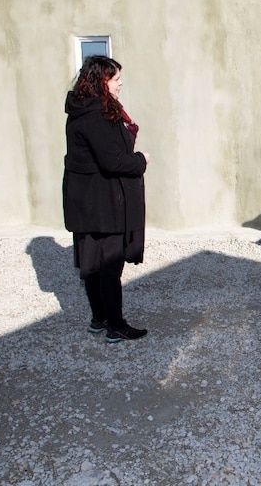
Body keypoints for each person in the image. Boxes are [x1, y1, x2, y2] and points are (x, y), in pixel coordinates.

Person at [63, 55, 151, 342]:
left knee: (91, 265)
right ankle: (115, 325)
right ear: (101, 81)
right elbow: (113, 161)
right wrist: (140, 160)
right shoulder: (96, 115)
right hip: (103, 202)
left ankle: (99, 318)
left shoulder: (81, 110)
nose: (120, 83)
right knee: (108, 267)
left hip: (85, 200)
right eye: (115, 79)